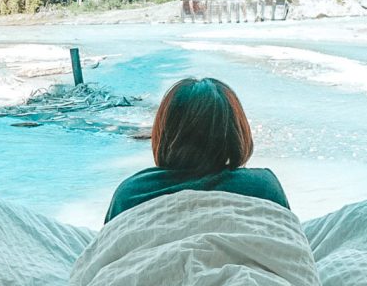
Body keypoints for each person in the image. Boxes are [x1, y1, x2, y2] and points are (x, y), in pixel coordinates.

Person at [105, 77, 290, 223]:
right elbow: (292, 250)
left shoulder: (131, 193)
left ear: (164, 135)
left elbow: (107, 261)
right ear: (236, 133)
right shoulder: (262, 188)